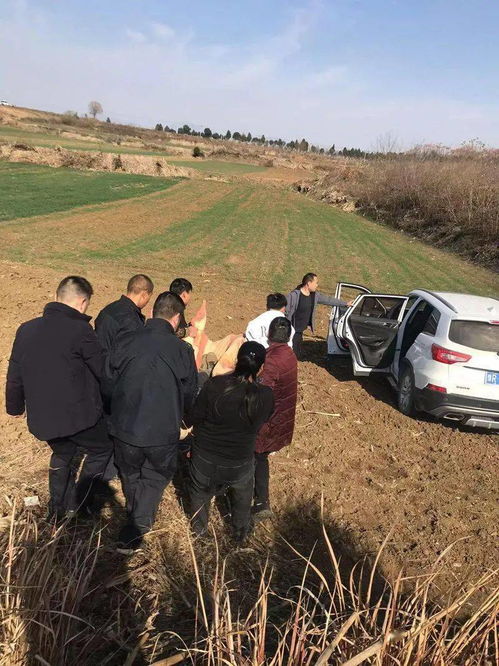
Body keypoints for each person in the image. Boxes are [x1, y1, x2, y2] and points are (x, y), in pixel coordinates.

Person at [5, 276, 112, 520]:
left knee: (62, 453)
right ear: (83, 302)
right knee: (101, 450)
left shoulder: (26, 328)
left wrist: (14, 408)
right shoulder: (82, 330)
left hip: (43, 418)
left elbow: (15, 373)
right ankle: (80, 503)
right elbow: (103, 373)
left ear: (56, 297)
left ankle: (57, 508)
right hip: (78, 417)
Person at [108, 291, 198, 553]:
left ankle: (133, 509)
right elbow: (190, 392)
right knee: (156, 475)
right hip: (161, 432)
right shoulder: (182, 350)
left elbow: (108, 380)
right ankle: (136, 526)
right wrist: (186, 419)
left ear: (151, 313)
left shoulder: (125, 340)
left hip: (124, 428)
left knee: (130, 471)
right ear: (177, 318)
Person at [189, 341, 274, 544]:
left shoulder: (215, 385)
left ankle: (199, 535)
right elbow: (266, 420)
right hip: (240, 460)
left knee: (200, 493)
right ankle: (240, 535)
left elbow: (194, 417)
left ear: (237, 360)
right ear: (261, 367)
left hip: (204, 457)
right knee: (242, 497)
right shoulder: (265, 396)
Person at [95, 273, 154, 480]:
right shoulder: (132, 321)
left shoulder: (107, 311)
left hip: (99, 376)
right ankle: (108, 472)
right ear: (144, 294)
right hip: (117, 381)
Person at [253, 317, 298, 521]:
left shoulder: (272, 360)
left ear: (269, 335)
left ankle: (261, 502)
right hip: (282, 418)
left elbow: (263, 392)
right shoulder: (289, 354)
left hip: (268, 422)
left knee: (256, 457)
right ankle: (261, 500)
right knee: (260, 457)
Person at [286, 273, 348, 359]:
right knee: (292, 353)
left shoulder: (314, 295)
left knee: (297, 348)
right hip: (292, 329)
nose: (317, 285)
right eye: (316, 282)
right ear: (308, 283)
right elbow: (285, 311)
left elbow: (328, 300)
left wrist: (345, 304)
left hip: (300, 330)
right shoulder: (294, 296)